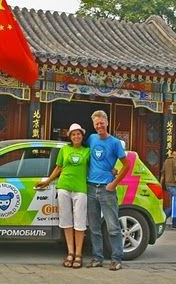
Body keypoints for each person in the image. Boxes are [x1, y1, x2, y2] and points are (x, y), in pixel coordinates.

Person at [36, 123, 90, 268]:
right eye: (73, 134)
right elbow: (58, 167)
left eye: (78, 134)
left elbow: (96, 167)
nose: (76, 136)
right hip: (64, 187)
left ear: (82, 136)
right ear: (70, 137)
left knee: (80, 223)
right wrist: (48, 181)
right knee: (66, 221)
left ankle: (79, 254)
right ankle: (70, 253)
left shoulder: (87, 151)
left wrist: (112, 171)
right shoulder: (64, 150)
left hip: (80, 189)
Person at [86, 110, 130, 271]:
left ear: (107, 123)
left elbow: (126, 165)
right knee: (94, 226)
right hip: (90, 187)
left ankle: (116, 259)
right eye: (97, 124)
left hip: (107, 189)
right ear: (94, 125)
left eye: (102, 123)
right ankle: (97, 258)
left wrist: (114, 183)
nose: (99, 126)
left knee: (112, 226)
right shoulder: (91, 138)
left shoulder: (115, 143)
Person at [160, 143, 176, 230]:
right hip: (175, 185)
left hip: (168, 185)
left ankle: (175, 224)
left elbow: (162, 174)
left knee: (175, 203)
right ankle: (162, 217)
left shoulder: (167, 160)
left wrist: (160, 184)